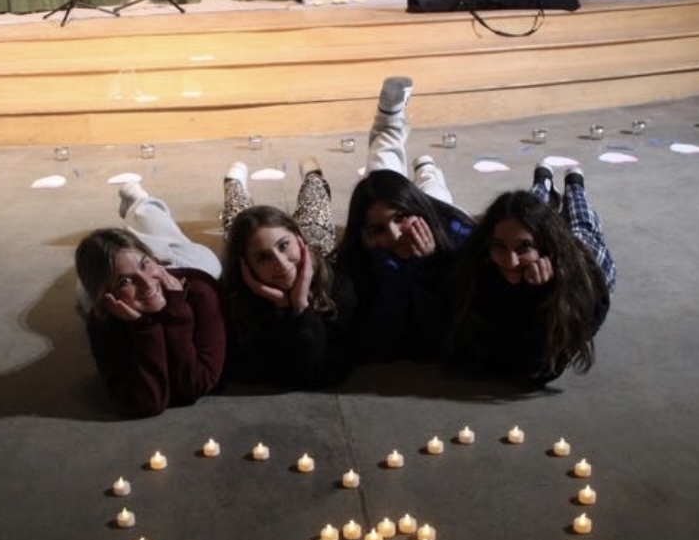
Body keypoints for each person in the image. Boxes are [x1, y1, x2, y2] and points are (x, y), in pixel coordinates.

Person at [335, 76, 474, 362]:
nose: (395, 235)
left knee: (432, 193)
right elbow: (378, 337)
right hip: (420, 208)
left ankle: (423, 163)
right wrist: (386, 267)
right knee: (382, 180)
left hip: (435, 212)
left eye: (400, 219)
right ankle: (419, 159)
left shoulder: (457, 233)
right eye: (378, 229)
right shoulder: (365, 253)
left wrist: (431, 265)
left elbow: (445, 327)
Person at [450, 163, 616, 384]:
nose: (511, 261)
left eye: (523, 248)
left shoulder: (577, 278)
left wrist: (541, 294)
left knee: (582, 226)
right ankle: (542, 183)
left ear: (545, 247)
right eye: (499, 246)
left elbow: (544, 367)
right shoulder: (480, 259)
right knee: (523, 212)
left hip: (591, 266)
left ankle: (575, 184)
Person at [219, 159, 356, 388]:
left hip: (316, 247)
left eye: (283, 246)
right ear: (246, 266)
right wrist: (288, 308)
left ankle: (311, 173)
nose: (280, 263)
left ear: (298, 239)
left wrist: (299, 305)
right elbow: (285, 371)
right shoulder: (231, 298)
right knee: (238, 220)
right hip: (291, 252)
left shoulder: (335, 282)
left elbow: (331, 371)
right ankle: (234, 184)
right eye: (263, 257)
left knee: (315, 201)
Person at [74, 223, 225, 418]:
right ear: (108, 296)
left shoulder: (201, 292)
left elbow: (196, 384)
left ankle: (142, 203)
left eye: (145, 264)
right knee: (82, 294)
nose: (145, 284)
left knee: (152, 223)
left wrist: (176, 310)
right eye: (125, 281)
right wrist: (144, 329)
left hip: (188, 263)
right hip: (143, 274)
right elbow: (147, 402)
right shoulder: (103, 318)